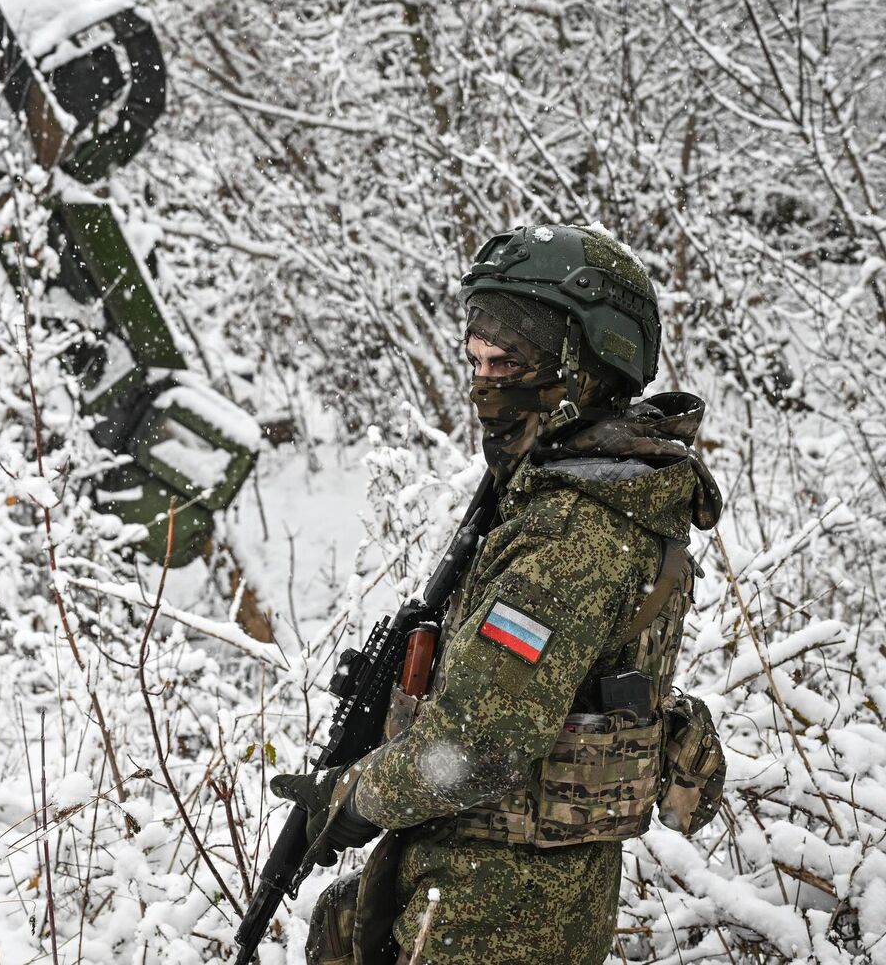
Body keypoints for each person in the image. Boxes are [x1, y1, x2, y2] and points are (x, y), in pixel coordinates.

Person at [272, 224, 727, 965]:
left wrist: (350, 797)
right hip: (495, 894)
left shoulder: (572, 533)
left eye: (509, 361)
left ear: (588, 362)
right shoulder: (574, 495)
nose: (486, 385)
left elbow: (477, 747)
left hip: (497, 914)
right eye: (477, 362)